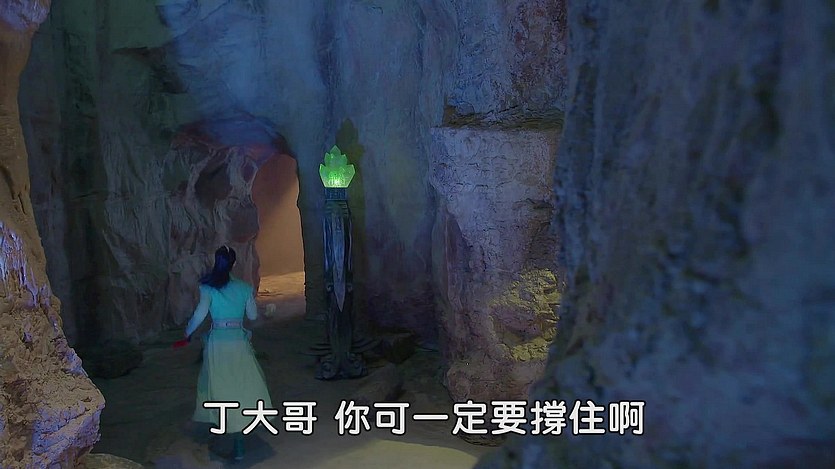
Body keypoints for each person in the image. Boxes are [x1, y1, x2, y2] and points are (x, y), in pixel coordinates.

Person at [184, 245, 273, 461]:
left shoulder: (208, 287)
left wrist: (187, 332)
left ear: (216, 261)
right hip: (238, 342)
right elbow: (252, 316)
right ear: (234, 264)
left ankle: (227, 432)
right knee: (241, 387)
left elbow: (199, 315)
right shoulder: (244, 288)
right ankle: (239, 440)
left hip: (218, 343)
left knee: (220, 387)